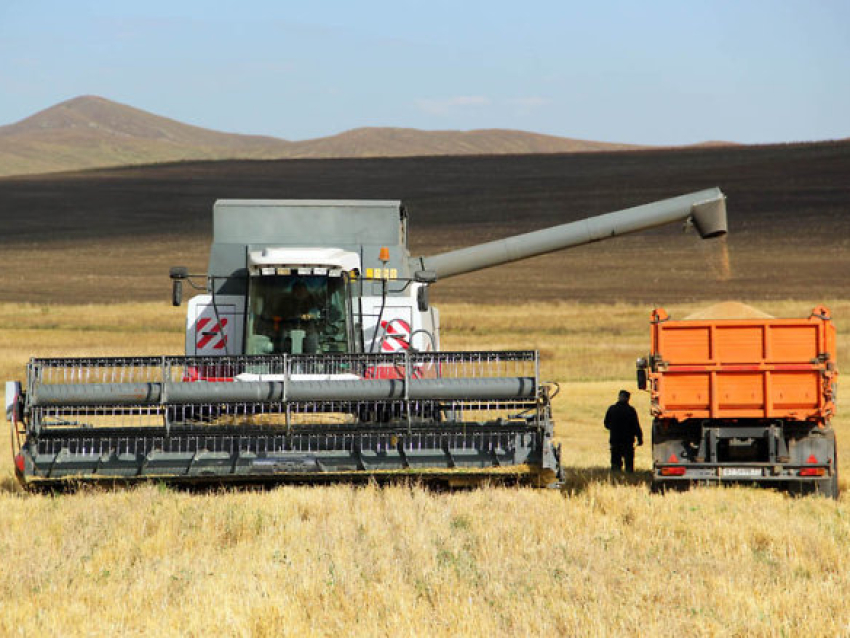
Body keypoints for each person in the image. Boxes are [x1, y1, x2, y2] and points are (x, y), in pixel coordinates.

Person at [604, 390, 643, 473]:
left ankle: (616, 476)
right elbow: (636, 426)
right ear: (628, 399)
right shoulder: (631, 410)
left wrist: (614, 429)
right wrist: (640, 438)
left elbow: (606, 424)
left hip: (615, 440)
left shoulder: (612, 409)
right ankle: (628, 476)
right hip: (628, 440)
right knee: (629, 462)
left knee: (615, 461)